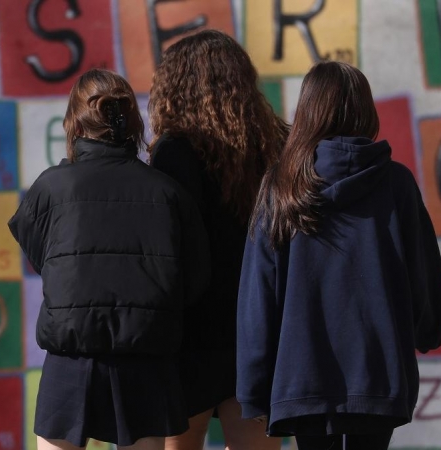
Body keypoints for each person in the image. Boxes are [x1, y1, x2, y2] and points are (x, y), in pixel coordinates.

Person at [237, 61, 441, 450]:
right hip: (378, 372)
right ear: (365, 111)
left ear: (308, 111)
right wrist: (427, 330)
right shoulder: (396, 183)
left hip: (301, 375)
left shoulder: (282, 186)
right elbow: (422, 276)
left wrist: (253, 386)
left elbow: (259, 295)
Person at [9, 68, 211, 450]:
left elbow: (42, 254)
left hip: (69, 356)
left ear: (75, 121)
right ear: (131, 121)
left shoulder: (51, 187)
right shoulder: (167, 192)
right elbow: (196, 275)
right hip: (146, 360)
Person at [148, 29, 288, 450]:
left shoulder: (174, 152)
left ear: (177, 87)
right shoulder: (276, 145)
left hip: (193, 335)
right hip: (261, 329)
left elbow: (171, 249)